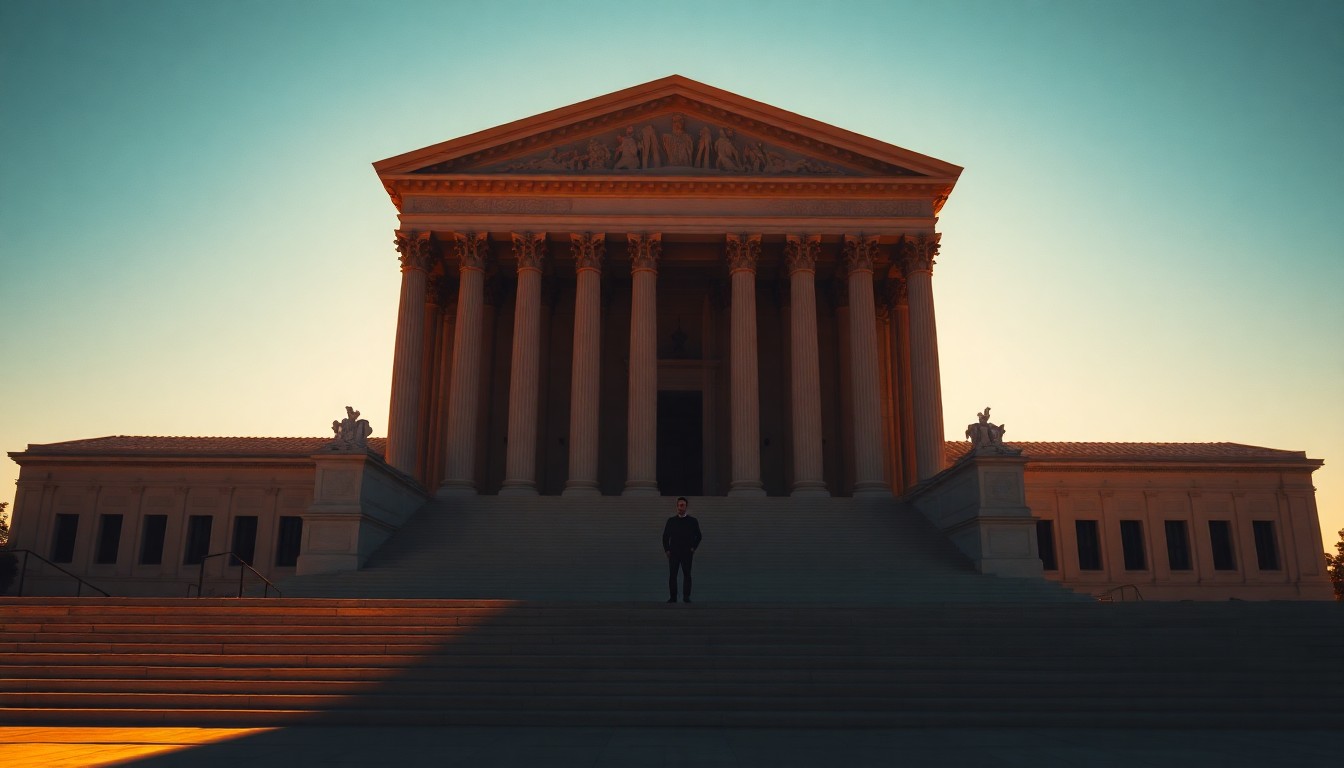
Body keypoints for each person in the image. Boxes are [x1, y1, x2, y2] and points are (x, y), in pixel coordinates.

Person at [662, 496, 702, 603]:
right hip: (674, 552)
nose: (681, 507)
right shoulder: (671, 521)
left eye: (683, 505)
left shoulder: (692, 521)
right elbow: (665, 536)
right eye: (679, 505)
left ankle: (686, 596)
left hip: (687, 552)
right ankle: (673, 597)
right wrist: (667, 550)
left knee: (687, 575)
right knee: (672, 575)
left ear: (686, 506)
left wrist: (693, 547)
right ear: (677, 507)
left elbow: (699, 535)